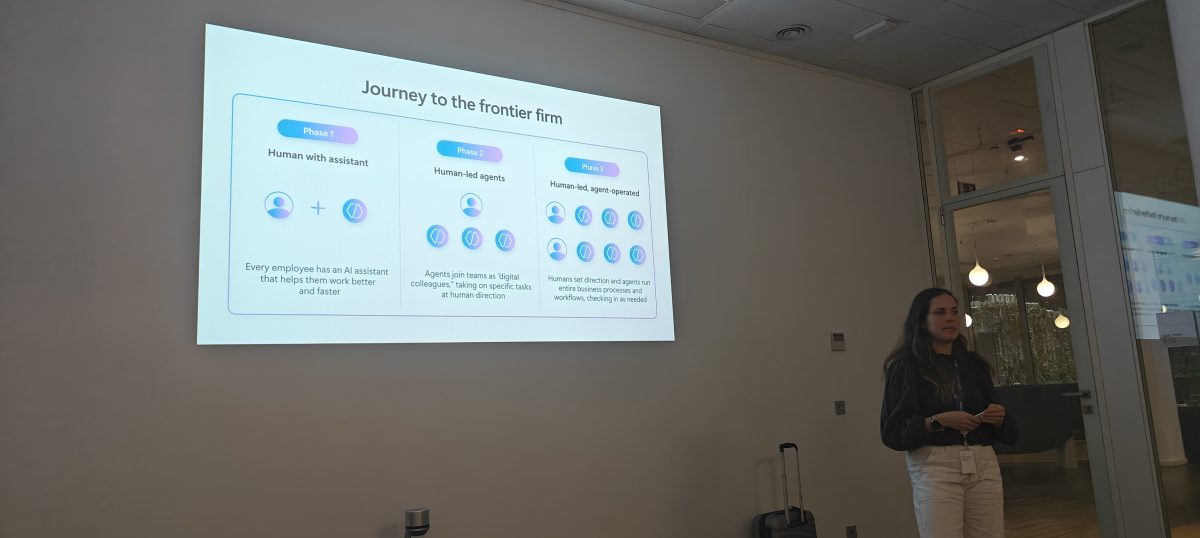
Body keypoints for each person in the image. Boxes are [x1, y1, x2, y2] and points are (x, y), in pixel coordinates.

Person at [880, 288, 1018, 538]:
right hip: (936, 465)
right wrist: (937, 422)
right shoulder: (906, 366)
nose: (950, 318)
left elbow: (1009, 430)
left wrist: (998, 418)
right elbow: (892, 431)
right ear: (922, 321)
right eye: (940, 312)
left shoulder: (973, 364)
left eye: (954, 312)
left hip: (982, 461)